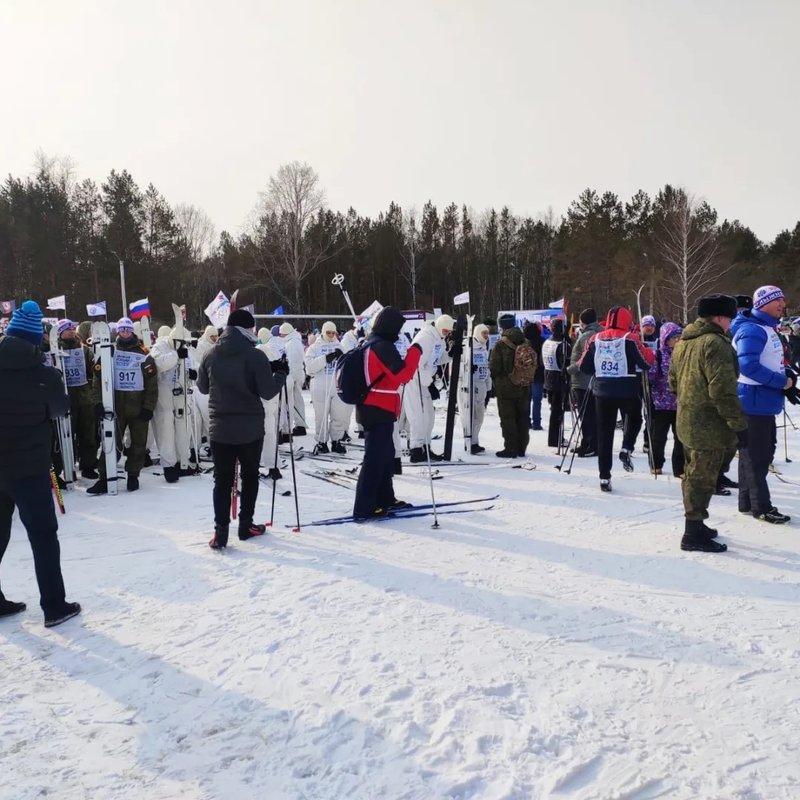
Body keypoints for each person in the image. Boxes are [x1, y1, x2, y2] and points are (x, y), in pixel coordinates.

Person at [0, 300, 81, 626]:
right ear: (38, 339)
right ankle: (54, 606)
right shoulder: (45, 376)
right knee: (43, 536)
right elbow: (61, 409)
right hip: (30, 469)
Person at [197, 309, 288, 548]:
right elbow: (267, 391)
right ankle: (245, 524)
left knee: (222, 480)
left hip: (220, 428)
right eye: (252, 329)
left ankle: (221, 531)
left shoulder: (210, 353)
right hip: (249, 428)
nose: (254, 333)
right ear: (246, 329)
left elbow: (203, 388)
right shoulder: (254, 355)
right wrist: (280, 373)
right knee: (249, 476)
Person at [669, 294, 746, 552]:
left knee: (693, 475)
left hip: (687, 420)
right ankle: (692, 533)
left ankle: (697, 524)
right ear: (720, 317)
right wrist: (739, 424)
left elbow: (673, 382)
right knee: (701, 478)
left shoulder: (683, 342)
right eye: (731, 318)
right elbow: (722, 390)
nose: (732, 323)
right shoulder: (716, 343)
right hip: (708, 426)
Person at [731, 285, 793, 524]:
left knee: (753, 453)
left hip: (761, 402)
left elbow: (769, 361)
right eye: (777, 301)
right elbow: (748, 366)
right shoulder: (753, 330)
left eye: (783, 300)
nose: (782, 305)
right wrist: (781, 381)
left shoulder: (766, 327)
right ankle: (761, 507)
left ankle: (747, 502)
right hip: (753, 402)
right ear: (763, 303)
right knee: (758, 456)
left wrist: (786, 375)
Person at [352, 306, 421, 519]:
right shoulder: (382, 346)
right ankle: (364, 507)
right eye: (398, 328)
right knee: (375, 458)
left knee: (385, 455)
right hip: (377, 407)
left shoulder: (373, 342)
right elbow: (403, 375)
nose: (399, 333)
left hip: (376, 406)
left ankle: (384, 498)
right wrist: (415, 350)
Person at [579, 305, 655, 491]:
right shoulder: (631, 339)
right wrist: (647, 350)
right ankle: (626, 447)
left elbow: (584, 366)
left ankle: (604, 477)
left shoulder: (594, 339)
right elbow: (646, 363)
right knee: (635, 418)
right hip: (627, 390)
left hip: (602, 393)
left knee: (604, 434)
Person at [87, 317, 158, 494]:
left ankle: (133, 475)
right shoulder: (108, 350)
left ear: (132, 331)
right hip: (116, 407)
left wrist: (149, 406)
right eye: (122, 330)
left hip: (138, 406)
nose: (125, 333)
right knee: (110, 443)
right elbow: (98, 378)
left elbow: (152, 382)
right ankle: (105, 477)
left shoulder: (143, 352)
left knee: (138, 443)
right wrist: (98, 402)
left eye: (127, 329)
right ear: (117, 331)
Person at [404, 315, 454, 462]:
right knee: (417, 416)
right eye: (445, 330)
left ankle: (425, 447)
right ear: (439, 326)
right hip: (415, 380)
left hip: (425, 381)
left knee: (429, 417)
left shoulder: (438, 338)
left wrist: (450, 354)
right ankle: (416, 448)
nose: (446, 333)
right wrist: (430, 384)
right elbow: (416, 364)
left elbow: (437, 359)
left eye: (448, 331)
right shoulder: (425, 338)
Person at [56, 318, 99, 479]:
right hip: (66, 399)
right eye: (67, 329)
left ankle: (88, 466)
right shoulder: (56, 350)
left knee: (88, 434)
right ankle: (67, 467)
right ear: (60, 332)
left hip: (85, 398)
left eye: (73, 328)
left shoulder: (84, 350)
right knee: (66, 435)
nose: (71, 331)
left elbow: (92, 370)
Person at [490, 313, 536, 458]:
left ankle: (510, 448)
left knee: (508, 418)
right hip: (524, 386)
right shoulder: (526, 342)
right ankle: (522, 448)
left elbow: (495, 367)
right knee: (523, 416)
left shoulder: (501, 344)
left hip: (506, 388)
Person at [304, 321, 351, 454]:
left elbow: (347, 365)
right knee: (321, 416)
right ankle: (322, 441)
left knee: (339, 415)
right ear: (323, 332)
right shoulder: (314, 347)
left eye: (333, 332)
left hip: (336, 385)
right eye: (328, 332)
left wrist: (343, 358)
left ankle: (336, 441)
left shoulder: (340, 346)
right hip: (320, 384)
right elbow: (309, 368)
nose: (331, 335)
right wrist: (325, 359)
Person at [647, 322, 684, 477]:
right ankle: (656, 463)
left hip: (680, 402)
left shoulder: (683, 354)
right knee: (658, 436)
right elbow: (651, 376)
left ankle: (679, 467)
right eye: (673, 337)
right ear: (665, 339)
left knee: (680, 437)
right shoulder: (659, 355)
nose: (677, 340)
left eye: (679, 337)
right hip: (661, 402)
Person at [567, 309, 602, 457]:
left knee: (588, 415)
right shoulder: (595, 333)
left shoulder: (589, 336)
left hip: (584, 380)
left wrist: (569, 369)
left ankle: (592, 443)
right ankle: (586, 442)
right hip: (586, 380)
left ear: (583, 322)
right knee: (586, 414)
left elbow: (585, 359)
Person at [458, 323, 492, 454]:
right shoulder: (468, 346)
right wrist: (466, 370)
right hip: (470, 386)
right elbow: (458, 365)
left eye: (487, 333)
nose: (486, 336)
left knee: (479, 416)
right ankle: (469, 441)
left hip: (481, 385)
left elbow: (486, 367)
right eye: (484, 333)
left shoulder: (484, 347)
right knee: (470, 415)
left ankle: (475, 440)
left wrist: (489, 387)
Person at [541, 318, 572, 451]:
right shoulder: (562, 344)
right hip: (559, 380)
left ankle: (554, 438)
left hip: (549, 378)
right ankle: (555, 439)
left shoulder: (547, 342)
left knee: (555, 410)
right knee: (557, 411)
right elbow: (566, 363)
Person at [279, 322, 307, 435]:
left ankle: (298, 425)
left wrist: (290, 378)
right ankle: (300, 424)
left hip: (293, 376)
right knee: (297, 400)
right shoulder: (295, 340)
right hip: (298, 374)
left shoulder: (291, 343)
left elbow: (292, 362)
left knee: (292, 402)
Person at [523, 322, 545, 430]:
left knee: (527, 399)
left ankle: (526, 421)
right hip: (538, 375)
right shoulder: (542, 342)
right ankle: (536, 422)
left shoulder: (523, 343)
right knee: (537, 400)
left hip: (525, 375)